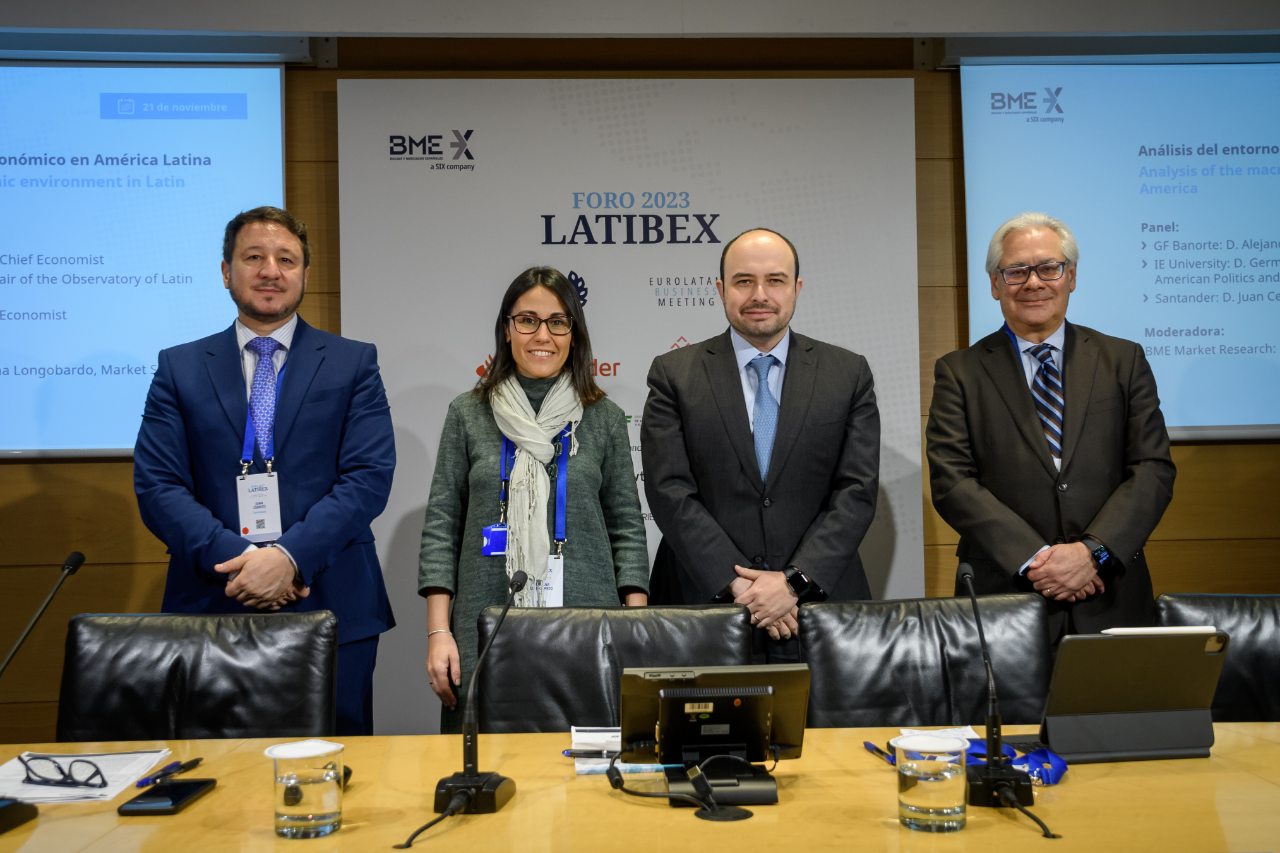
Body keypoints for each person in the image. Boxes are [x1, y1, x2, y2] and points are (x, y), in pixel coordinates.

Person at [134, 206, 396, 735]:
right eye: (253, 257)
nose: (270, 270)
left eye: (286, 259)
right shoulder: (179, 367)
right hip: (214, 599)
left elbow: (367, 477)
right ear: (226, 271)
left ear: (304, 273)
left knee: (339, 776)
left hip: (331, 600)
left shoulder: (352, 362)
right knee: (213, 784)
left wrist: (289, 559)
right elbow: (158, 485)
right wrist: (243, 562)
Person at [418, 266, 649, 731]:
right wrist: (439, 632)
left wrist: (634, 630)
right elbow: (442, 526)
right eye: (527, 320)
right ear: (507, 330)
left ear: (573, 333)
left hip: (589, 624)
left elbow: (627, 525)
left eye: (558, 322)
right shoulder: (468, 412)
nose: (542, 335)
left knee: (582, 781)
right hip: (486, 623)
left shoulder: (602, 416)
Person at [926, 211, 1176, 639]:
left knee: (1113, 706)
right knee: (1008, 710)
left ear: (1071, 277)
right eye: (1016, 271)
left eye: (1049, 268)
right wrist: (1037, 559)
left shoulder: (1122, 360)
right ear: (994, 284)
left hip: (1110, 591)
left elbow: (1152, 469)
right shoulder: (959, 372)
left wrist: (1092, 554)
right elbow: (953, 483)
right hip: (1007, 597)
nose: (1034, 283)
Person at [641, 228, 880, 657]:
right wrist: (741, 586)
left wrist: (794, 583)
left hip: (819, 608)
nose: (759, 294)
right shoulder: (674, 374)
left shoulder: (848, 374)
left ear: (796, 288)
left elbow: (856, 492)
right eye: (743, 280)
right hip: (706, 608)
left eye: (775, 280)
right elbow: (668, 491)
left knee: (828, 726)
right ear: (720, 289)